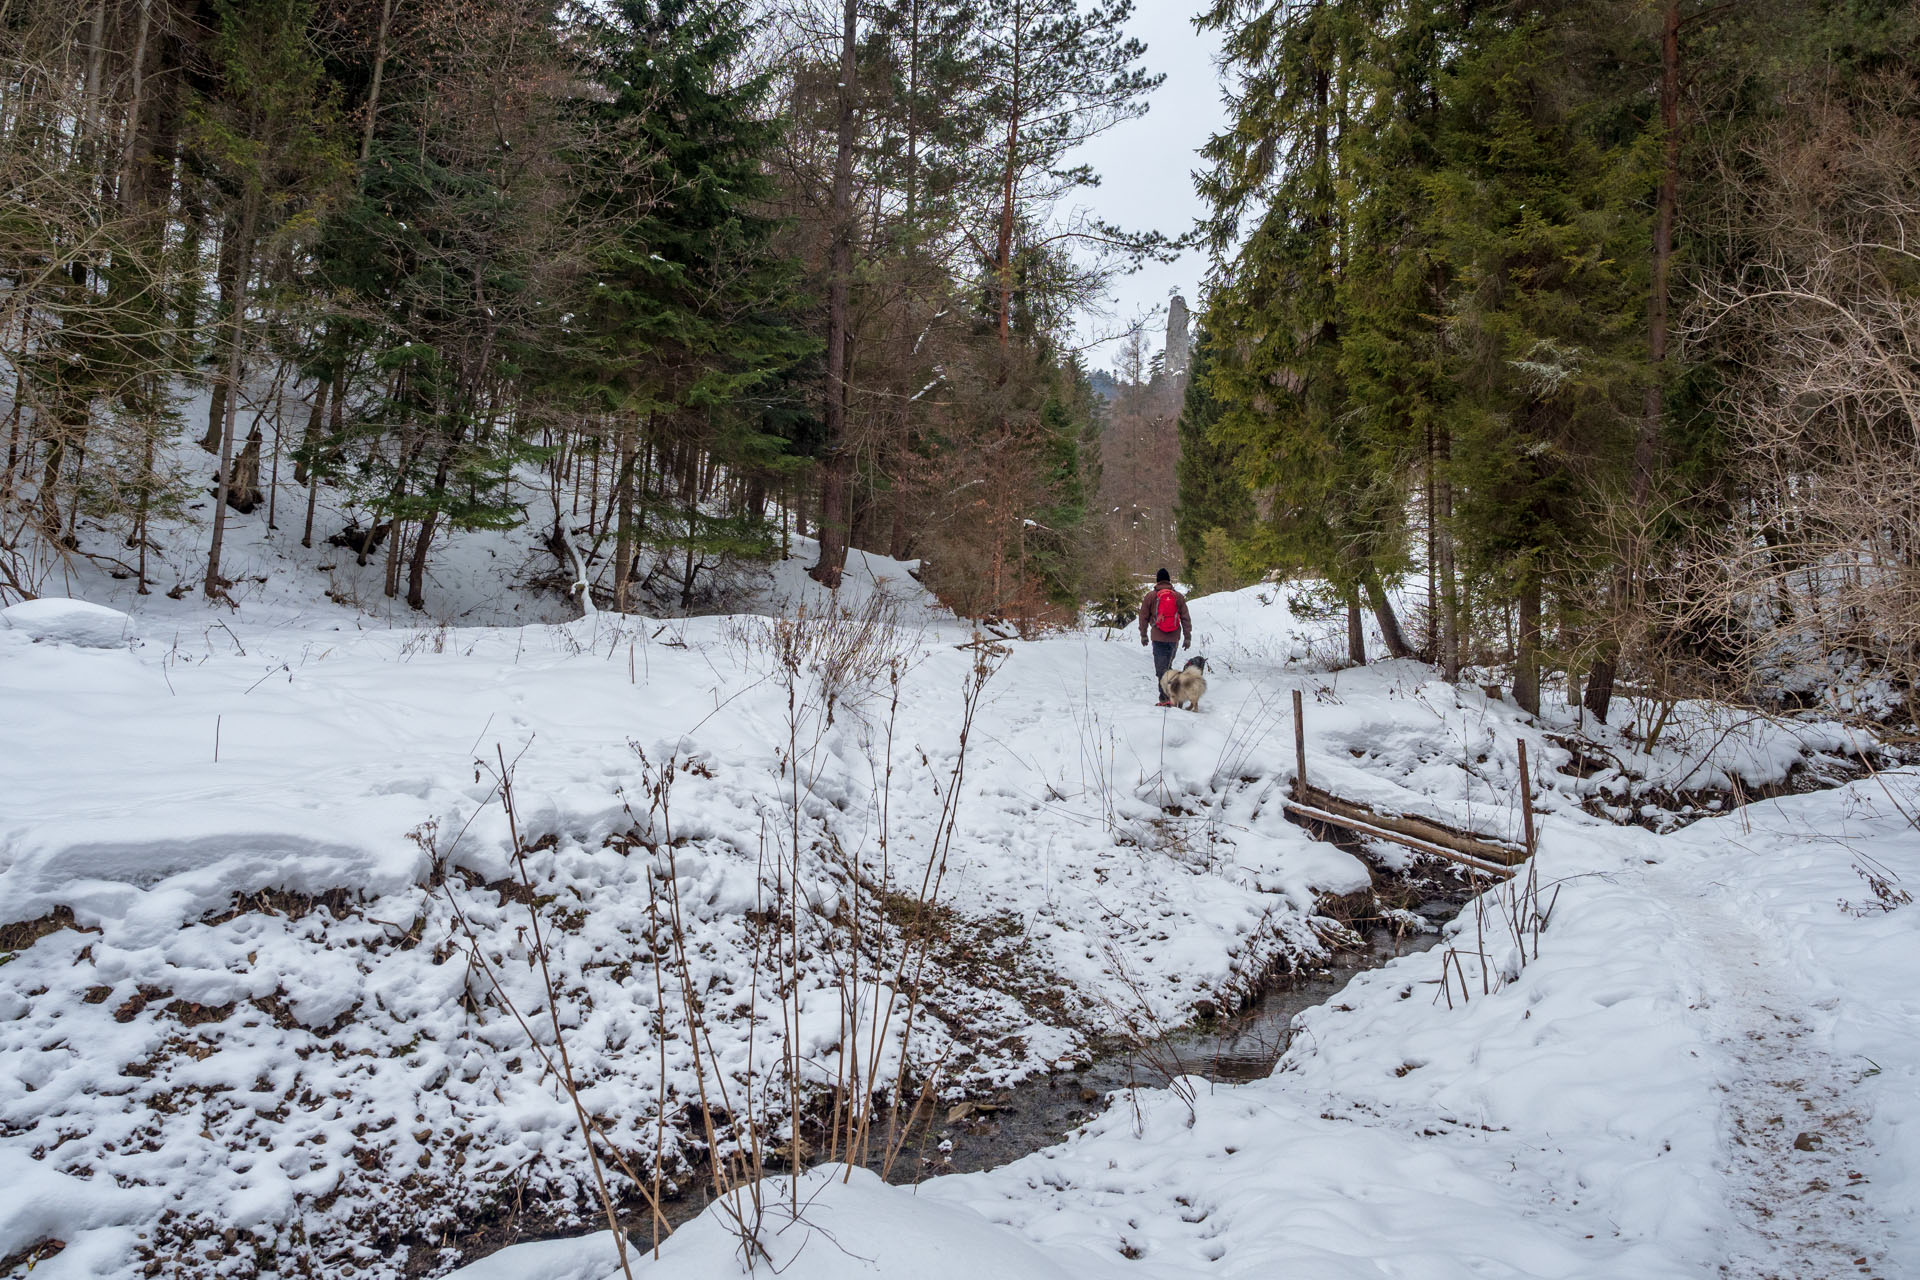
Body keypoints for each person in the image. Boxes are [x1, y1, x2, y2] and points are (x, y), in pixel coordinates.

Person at [1137, 568, 1192, 706]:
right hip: (1174, 638)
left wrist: (1143, 635)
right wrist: (1187, 637)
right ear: (1168, 580)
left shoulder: (1151, 596)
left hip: (1158, 637)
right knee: (1168, 666)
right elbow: (1185, 617)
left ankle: (1165, 699)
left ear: (1157, 580)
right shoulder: (1178, 596)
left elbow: (1143, 617)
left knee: (1162, 670)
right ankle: (1171, 695)